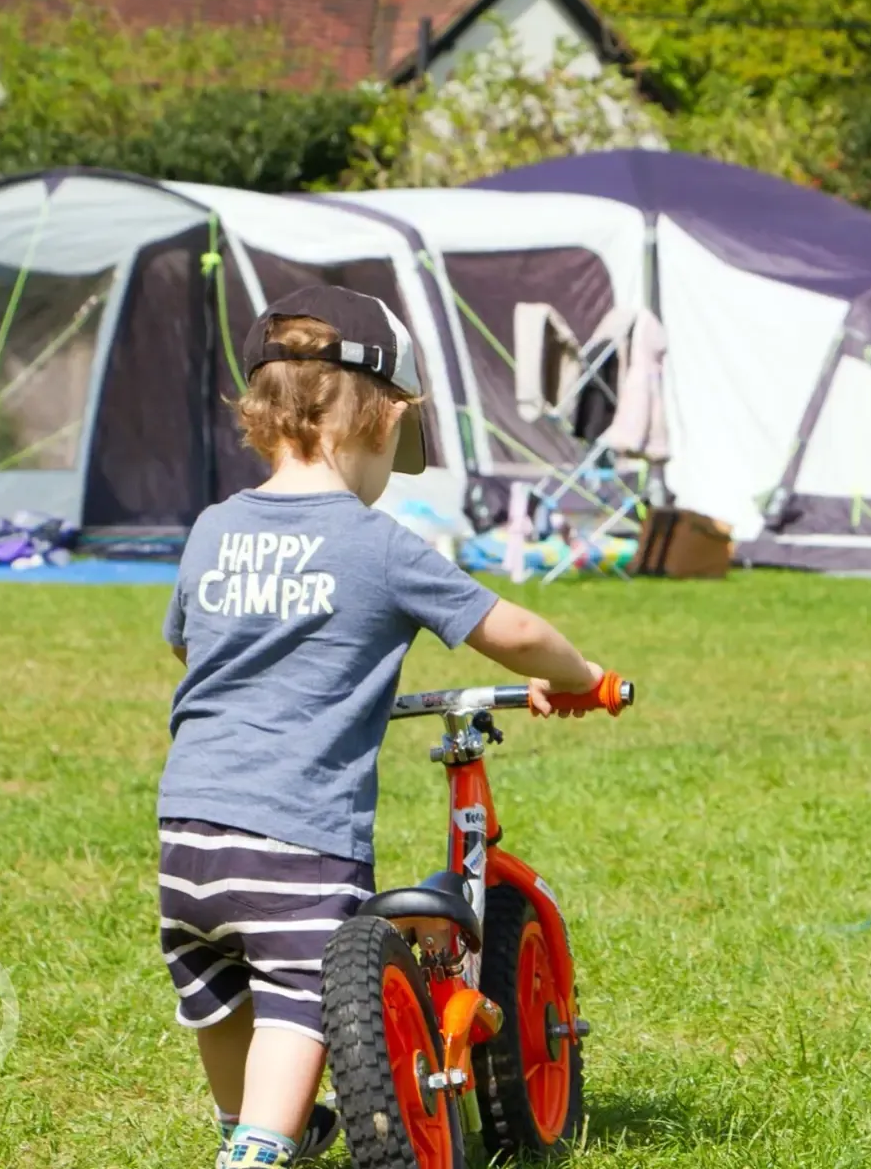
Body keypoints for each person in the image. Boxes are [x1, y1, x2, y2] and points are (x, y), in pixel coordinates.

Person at [157, 285, 604, 1168]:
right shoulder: (378, 541)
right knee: (294, 1000)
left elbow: (187, 643)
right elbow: (506, 629)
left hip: (187, 836)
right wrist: (581, 675)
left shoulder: (212, 530)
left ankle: (244, 1121)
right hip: (298, 836)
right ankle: (256, 1149)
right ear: (378, 417)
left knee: (222, 994)